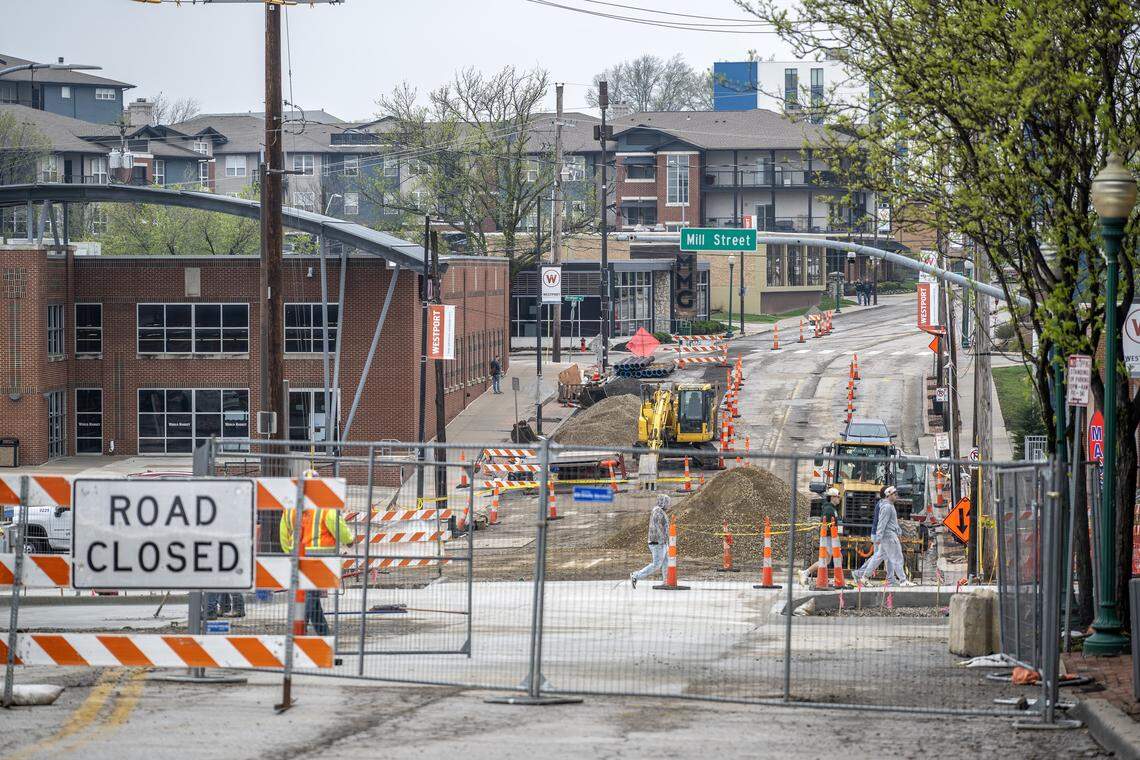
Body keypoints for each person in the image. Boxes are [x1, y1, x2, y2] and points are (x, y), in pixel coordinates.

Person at [279, 504, 355, 635]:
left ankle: (323, 632)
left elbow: (283, 534)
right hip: (319, 560)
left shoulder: (290, 507)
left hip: (297, 557)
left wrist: (289, 553)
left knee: (311, 594)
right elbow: (338, 527)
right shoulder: (325, 507)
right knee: (311, 595)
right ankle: (299, 627)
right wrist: (349, 540)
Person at [853, 485, 911, 586]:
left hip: (884, 535)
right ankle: (902, 580)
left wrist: (898, 531)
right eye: (894, 494)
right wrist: (879, 537)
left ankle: (865, 577)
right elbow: (882, 523)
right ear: (888, 495)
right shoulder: (887, 506)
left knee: (879, 557)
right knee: (895, 557)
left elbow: (891, 522)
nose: (896, 496)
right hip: (886, 536)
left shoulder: (888, 505)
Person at [800, 487, 842, 586]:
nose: (839, 499)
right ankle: (838, 580)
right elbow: (826, 525)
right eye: (838, 497)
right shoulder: (828, 509)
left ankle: (805, 573)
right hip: (829, 538)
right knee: (838, 557)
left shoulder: (831, 508)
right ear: (832, 497)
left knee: (826, 560)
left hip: (830, 537)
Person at [630, 494, 671, 588]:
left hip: (662, 542)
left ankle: (666, 582)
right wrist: (663, 538)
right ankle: (636, 576)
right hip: (657, 542)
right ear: (663, 502)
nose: (669, 505)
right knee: (656, 564)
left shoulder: (660, 511)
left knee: (666, 562)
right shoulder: (658, 511)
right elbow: (656, 526)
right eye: (667, 503)